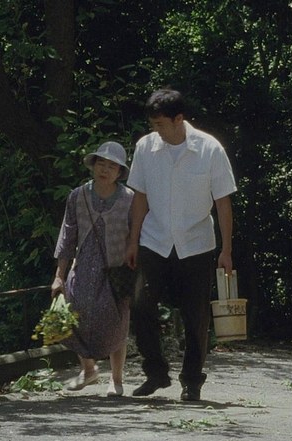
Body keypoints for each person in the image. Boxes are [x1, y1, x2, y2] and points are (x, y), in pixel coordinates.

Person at [124, 88, 237, 401]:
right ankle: (156, 372)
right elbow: (140, 198)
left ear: (178, 119)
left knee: (195, 316)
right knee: (141, 305)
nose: (156, 130)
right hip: (154, 238)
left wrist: (226, 250)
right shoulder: (145, 147)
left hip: (196, 242)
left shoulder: (210, 149)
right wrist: (132, 241)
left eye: (160, 124)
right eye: (152, 124)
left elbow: (223, 203)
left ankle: (192, 380)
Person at [52, 141, 134, 397]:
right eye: (101, 163)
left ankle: (116, 379)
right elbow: (67, 237)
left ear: (119, 172)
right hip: (83, 267)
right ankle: (88, 369)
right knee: (75, 316)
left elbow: (138, 236)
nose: (105, 170)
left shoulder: (130, 199)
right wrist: (59, 276)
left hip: (116, 269)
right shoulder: (77, 196)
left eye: (112, 166)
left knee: (117, 321)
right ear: (93, 165)